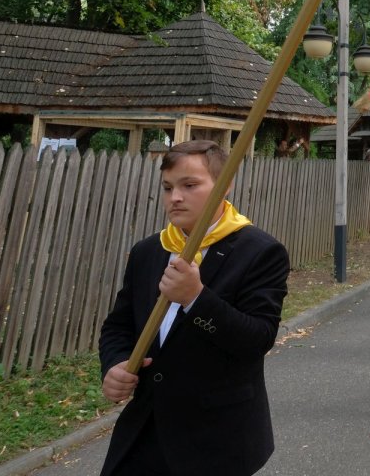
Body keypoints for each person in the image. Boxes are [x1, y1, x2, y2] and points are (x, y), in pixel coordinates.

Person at [98, 140, 289, 476]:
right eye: (168, 187)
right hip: (145, 430)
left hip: (216, 438)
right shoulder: (148, 251)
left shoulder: (260, 251)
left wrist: (196, 298)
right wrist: (114, 364)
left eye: (189, 185)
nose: (175, 197)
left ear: (225, 185)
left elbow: (258, 338)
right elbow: (119, 325)